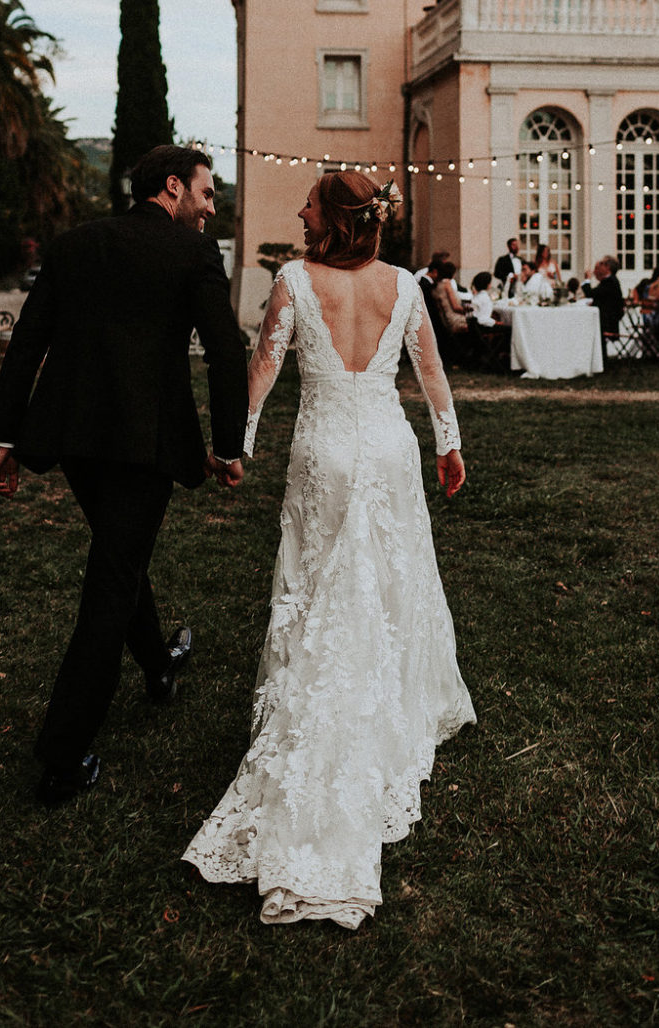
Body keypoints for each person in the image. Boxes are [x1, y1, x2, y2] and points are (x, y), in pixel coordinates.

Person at [182, 171, 475, 929]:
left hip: (323, 452)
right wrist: (450, 444)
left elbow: (266, 368)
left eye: (311, 202)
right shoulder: (405, 285)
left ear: (336, 220)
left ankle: (318, 705)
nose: (301, 211)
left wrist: (234, 444)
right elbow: (432, 372)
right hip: (385, 447)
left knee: (316, 589)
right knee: (384, 582)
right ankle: (386, 696)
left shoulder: (293, 280)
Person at [0, 145, 249, 807]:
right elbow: (224, 353)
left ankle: (159, 667)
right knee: (111, 579)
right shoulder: (194, 254)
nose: (212, 207)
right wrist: (227, 445)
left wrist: (6, 434)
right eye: (207, 193)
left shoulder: (76, 244)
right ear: (171, 187)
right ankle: (63, 757)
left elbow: (29, 339)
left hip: (73, 437)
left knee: (118, 556)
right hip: (143, 443)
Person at [581, 255, 625, 347]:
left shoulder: (610, 282)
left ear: (607, 267)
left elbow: (590, 293)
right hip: (606, 317)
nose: (598, 268)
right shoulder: (608, 281)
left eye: (601, 264)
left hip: (608, 321)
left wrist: (587, 279)